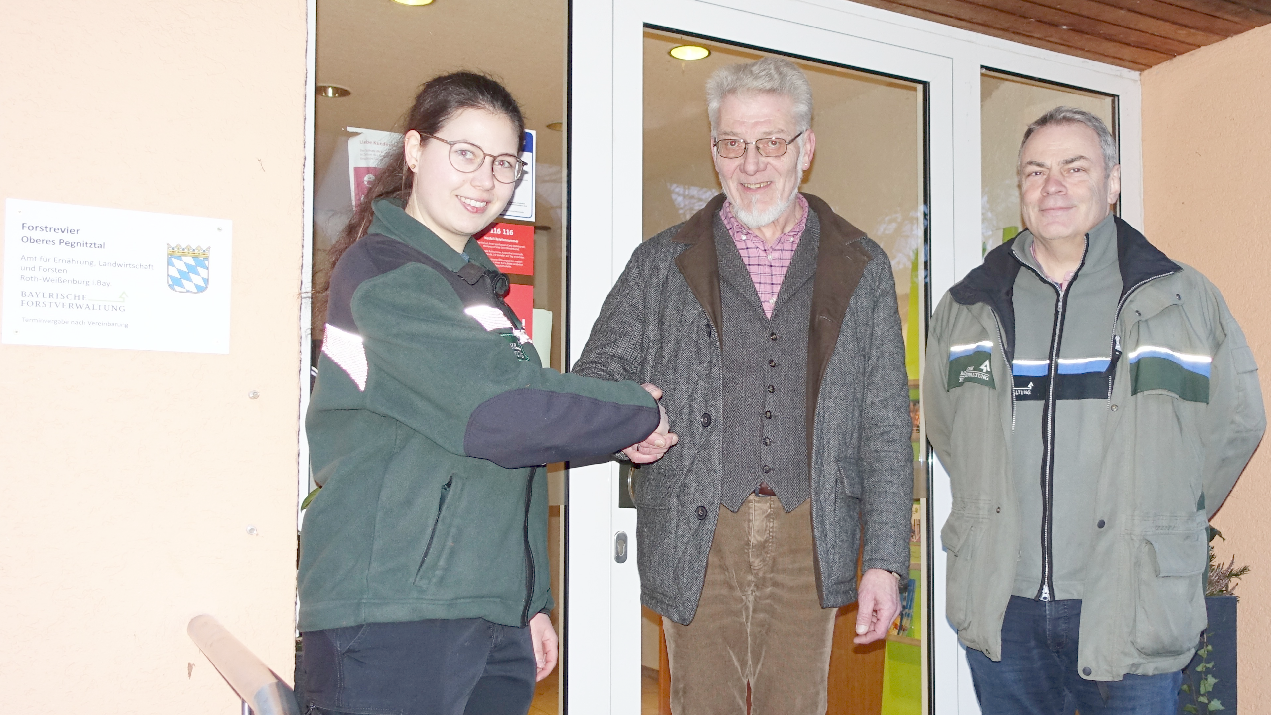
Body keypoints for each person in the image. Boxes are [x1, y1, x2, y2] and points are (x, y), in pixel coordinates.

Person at [298, 71, 676, 715]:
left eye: (504, 163)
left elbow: (510, 456)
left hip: (480, 613)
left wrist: (526, 603)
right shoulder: (386, 272)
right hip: (394, 616)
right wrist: (636, 410)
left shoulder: (476, 291)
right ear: (416, 151)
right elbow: (501, 413)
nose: (485, 179)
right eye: (465, 153)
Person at [573, 56, 913, 715]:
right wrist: (628, 422)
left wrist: (887, 559)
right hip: (698, 526)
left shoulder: (861, 264)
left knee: (797, 704)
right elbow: (597, 376)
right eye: (732, 143)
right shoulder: (659, 261)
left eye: (769, 143)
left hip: (810, 529)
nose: (750, 163)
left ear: (805, 148)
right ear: (713, 150)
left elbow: (883, 419)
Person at [924, 106, 1265, 714]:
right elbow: (949, 432)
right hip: (1005, 608)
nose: (1051, 186)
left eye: (1073, 167)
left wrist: (1163, 521)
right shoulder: (967, 306)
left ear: (1111, 184)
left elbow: (1236, 424)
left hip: (1132, 601)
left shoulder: (1181, 299)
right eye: (1034, 171)